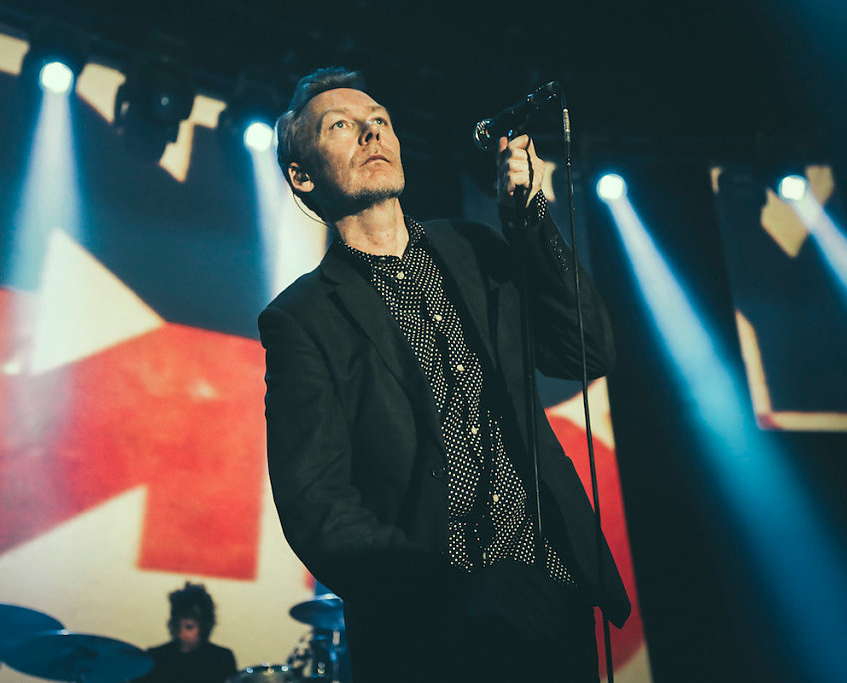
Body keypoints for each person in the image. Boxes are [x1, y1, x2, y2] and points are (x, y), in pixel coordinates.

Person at [259, 67, 631, 682]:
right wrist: (453, 585)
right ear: (302, 174)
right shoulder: (303, 319)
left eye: (379, 120)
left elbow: (585, 350)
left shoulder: (475, 248)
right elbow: (317, 505)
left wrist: (533, 220)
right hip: (435, 625)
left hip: (553, 593)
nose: (370, 134)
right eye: (342, 126)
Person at [135, 582, 237, 683]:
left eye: (189, 627)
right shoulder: (155, 657)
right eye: (177, 626)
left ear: (204, 627)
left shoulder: (222, 659)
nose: (181, 633)